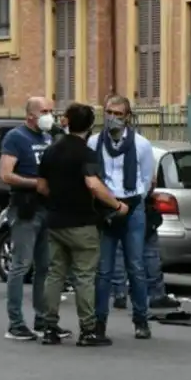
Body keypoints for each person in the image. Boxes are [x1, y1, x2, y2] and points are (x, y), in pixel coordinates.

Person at [36, 103, 129, 346]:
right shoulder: (86, 153)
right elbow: (93, 185)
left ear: (66, 121)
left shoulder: (51, 150)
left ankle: (49, 327)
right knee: (84, 276)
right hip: (82, 223)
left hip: (55, 221)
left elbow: (41, 187)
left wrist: (58, 198)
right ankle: (88, 330)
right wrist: (117, 205)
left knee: (55, 274)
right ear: (89, 126)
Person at [0, 97, 70, 341]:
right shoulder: (16, 138)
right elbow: (6, 174)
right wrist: (35, 184)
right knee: (20, 265)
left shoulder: (49, 137)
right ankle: (16, 323)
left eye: (51, 110)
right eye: (44, 111)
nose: (49, 115)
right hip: (25, 208)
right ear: (30, 115)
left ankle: (42, 320)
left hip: (46, 209)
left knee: (45, 267)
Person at [88, 95, 155, 340]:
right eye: (109, 112)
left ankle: (141, 320)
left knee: (135, 266)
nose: (113, 118)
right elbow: (91, 176)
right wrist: (109, 203)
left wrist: (131, 200)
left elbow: (147, 179)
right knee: (103, 269)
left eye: (118, 114)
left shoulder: (141, 144)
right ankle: (99, 322)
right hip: (106, 207)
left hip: (133, 207)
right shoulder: (94, 142)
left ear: (127, 117)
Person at [144, 182, 180, 308]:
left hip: (116, 207)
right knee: (150, 254)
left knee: (118, 252)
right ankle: (156, 294)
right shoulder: (144, 162)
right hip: (141, 208)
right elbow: (151, 181)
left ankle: (118, 293)